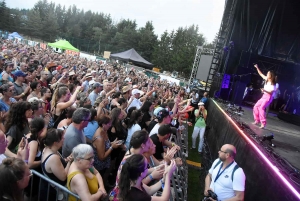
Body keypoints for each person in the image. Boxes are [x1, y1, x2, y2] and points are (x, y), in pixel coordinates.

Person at [41, 128, 72, 201]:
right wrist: (70, 161)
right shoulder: (53, 158)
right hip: (55, 194)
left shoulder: (47, 148)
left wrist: (66, 159)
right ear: (55, 143)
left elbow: (57, 166)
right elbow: (63, 177)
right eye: (62, 138)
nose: (64, 138)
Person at [253, 64, 276, 128]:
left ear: (271, 75)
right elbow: (261, 74)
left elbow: (271, 93)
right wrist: (257, 67)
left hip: (268, 97)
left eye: (268, 74)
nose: (267, 74)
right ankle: (257, 120)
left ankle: (263, 123)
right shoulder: (266, 79)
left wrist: (264, 90)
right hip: (264, 96)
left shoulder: (272, 84)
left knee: (261, 108)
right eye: (267, 73)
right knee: (255, 106)